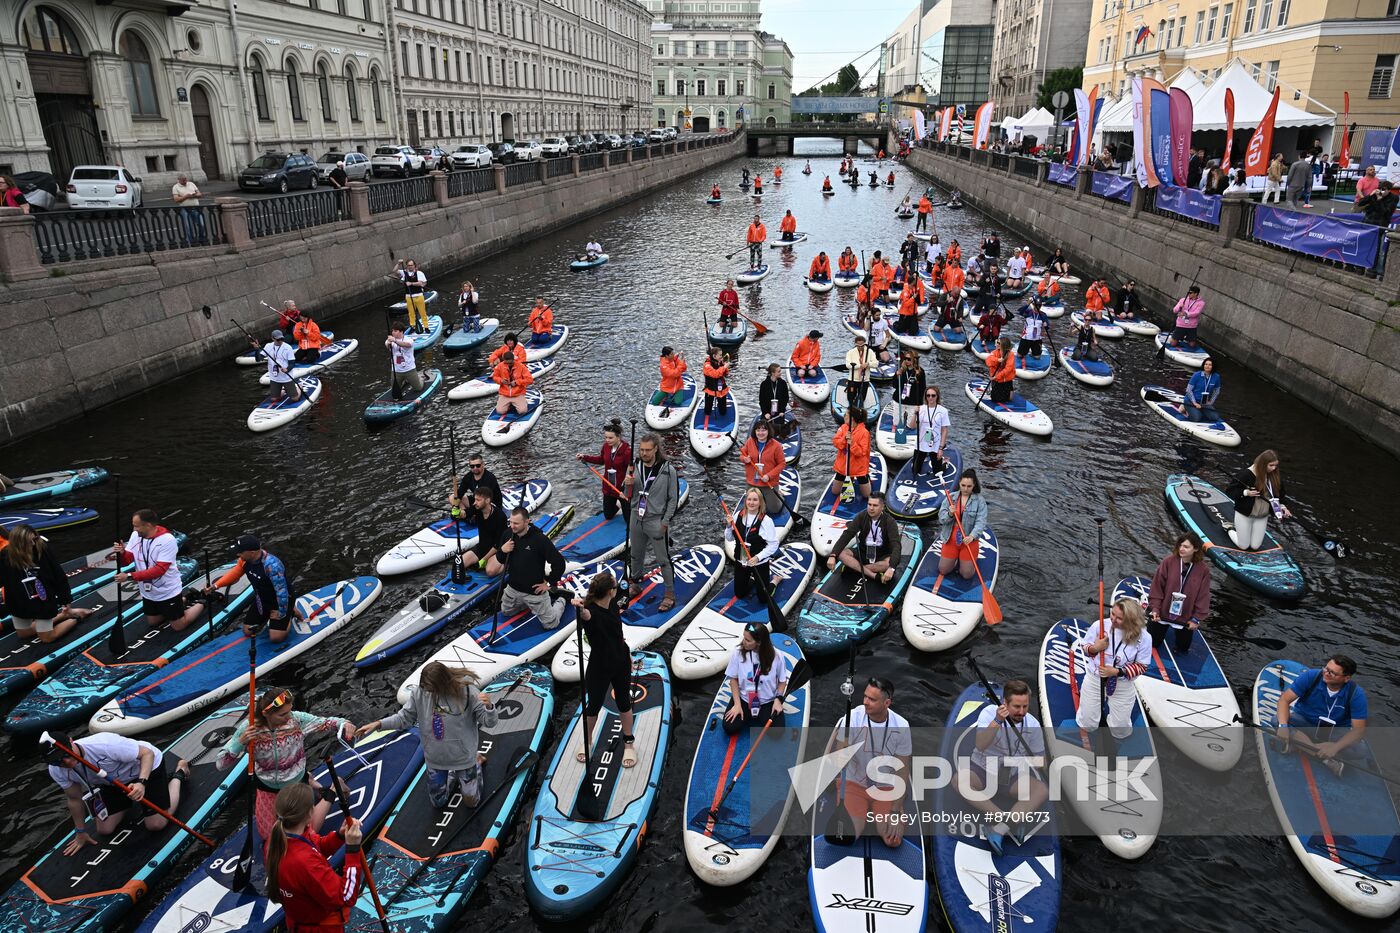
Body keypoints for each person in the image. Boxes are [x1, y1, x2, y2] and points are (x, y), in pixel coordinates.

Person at [215, 685, 354, 838]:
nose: (289, 717)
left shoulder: (297, 720)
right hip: (267, 787)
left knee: (302, 834)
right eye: (282, 715)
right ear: (266, 713)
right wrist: (240, 743)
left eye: (289, 711)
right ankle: (312, 782)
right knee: (269, 837)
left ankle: (333, 789)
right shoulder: (249, 728)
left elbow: (327, 722)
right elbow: (221, 764)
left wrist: (344, 724)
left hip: (295, 786)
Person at [357, 662, 497, 807]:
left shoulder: (468, 693)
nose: (427, 693)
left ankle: (476, 762)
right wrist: (379, 724)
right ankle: (454, 772)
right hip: (435, 760)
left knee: (471, 803)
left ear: (442, 684)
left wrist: (489, 707)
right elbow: (404, 718)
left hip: (463, 758)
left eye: (431, 689)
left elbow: (489, 722)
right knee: (438, 802)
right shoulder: (420, 693)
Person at [41, 731, 190, 856]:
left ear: (71, 741)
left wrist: (141, 783)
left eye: (66, 755)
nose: (65, 762)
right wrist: (80, 832)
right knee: (104, 829)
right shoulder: (56, 770)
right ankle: (128, 802)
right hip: (111, 782)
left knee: (156, 824)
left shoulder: (104, 745)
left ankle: (179, 773)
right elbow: (74, 799)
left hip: (146, 769)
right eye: (57, 761)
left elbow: (147, 754)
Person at [956, 679, 1047, 855]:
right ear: (1005, 703)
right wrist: (998, 721)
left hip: (1012, 775)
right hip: (982, 769)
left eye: (1025, 707)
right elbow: (980, 744)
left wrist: (1043, 762)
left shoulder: (1033, 724)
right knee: (959, 782)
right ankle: (1007, 819)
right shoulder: (989, 713)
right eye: (1016, 707)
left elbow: (1040, 760)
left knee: (1041, 790)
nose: (1022, 712)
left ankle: (1000, 828)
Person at [263, 782, 367, 931]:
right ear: (310, 813)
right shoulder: (305, 863)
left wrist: (339, 836)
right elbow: (345, 897)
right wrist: (352, 849)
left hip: (299, 919)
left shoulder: (275, 840)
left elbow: (316, 846)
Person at [831, 676, 913, 848]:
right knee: (849, 836)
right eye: (865, 697)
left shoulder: (902, 726)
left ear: (887, 703)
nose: (866, 702)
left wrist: (895, 811)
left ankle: (881, 816)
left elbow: (902, 772)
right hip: (854, 784)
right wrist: (843, 748)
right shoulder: (852, 718)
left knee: (893, 841)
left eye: (872, 699)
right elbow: (838, 758)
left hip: (885, 787)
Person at [570, 571, 639, 766]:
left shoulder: (614, 601)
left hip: (621, 660)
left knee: (624, 703)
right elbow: (586, 615)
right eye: (615, 586)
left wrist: (627, 653)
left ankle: (628, 744)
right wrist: (579, 608)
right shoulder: (590, 611)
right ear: (609, 591)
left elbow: (617, 632)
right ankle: (588, 741)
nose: (617, 589)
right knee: (594, 705)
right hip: (599, 666)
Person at [1073, 597, 1152, 741]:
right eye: (1112, 614)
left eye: (1119, 618)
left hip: (1122, 683)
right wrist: (1095, 648)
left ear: (1130, 620)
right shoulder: (1099, 626)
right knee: (1087, 725)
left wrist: (1117, 672)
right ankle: (1089, 712)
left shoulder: (1145, 637)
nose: (1113, 620)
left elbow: (1142, 666)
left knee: (1120, 731)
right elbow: (1085, 648)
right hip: (1096, 678)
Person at [114, 509, 206, 631]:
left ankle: (203, 601)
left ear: (148, 525)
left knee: (179, 626)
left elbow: (159, 570)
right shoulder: (136, 535)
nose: (134, 529)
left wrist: (129, 576)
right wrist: (121, 553)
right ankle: (185, 599)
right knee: (154, 622)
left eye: (136, 526)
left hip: (167, 591)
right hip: (148, 591)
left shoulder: (167, 540)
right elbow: (127, 560)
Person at [0, 524, 90, 643]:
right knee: (23, 634)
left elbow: (59, 576)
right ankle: (62, 616)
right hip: (19, 601)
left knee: (47, 638)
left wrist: (65, 599)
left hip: (42, 601)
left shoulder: (41, 551)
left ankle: (78, 617)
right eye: (29, 541)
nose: (33, 544)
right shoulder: (5, 555)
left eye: (35, 539)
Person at [1275, 654, 1368, 764]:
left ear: (1346, 678)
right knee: (1276, 721)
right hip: (1305, 723)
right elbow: (1284, 700)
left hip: (1334, 731)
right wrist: (1283, 726)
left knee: (1360, 750)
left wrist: (1335, 747)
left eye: (1332, 673)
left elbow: (1358, 731)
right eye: (1326, 668)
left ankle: (1300, 746)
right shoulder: (1311, 677)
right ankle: (1320, 755)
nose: (1326, 673)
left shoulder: (1356, 694)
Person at [487, 507, 568, 628]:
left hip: (534, 592)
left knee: (551, 624)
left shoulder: (540, 540)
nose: (512, 526)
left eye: (516, 523)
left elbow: (559, 562)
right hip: (513, 589)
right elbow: (501, 559)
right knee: (505, 612)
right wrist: (503, 550)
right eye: (511, 522)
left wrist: (550, 583)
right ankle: (526, 604)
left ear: (527, 522)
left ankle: (561, 599)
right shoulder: (508, 534)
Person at [625, 434, 680, 611]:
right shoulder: (634, 467)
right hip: (636, 517)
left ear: (656, 449)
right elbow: (628, 495)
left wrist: (665, 522)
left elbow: (673, 499)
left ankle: (670, 593)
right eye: (641, 450)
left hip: (656, 520)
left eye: (648, 450)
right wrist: (628, 484)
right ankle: (635, 582)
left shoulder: (668, 470)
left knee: (663, 560)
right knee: (635, 555)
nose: (644, 453)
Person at [206, 533, 293, 642]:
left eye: (241, 552)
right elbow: (235, 574)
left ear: (252, 553)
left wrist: (282, 612)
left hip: (280, 599)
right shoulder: (244, 560)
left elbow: (281, 592)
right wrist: (215, 586)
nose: (238, 554)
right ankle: (273, 615)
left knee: (276, 638)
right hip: (262, 598)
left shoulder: (272, 566)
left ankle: (290, 613)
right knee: (248, 631)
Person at [1147, 532, 1211, 654]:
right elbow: (1157, 587)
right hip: (1163, 612)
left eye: (1186, 547)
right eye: (1180, 545)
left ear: (1195, 549)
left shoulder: (1203, 570)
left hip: (1185, 616)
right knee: (1152, 643)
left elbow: (1203, 595)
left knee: (1183, 648)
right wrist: (1155, 608)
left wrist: (1196, 618)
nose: (1181, 549)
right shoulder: (1168, 562)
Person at [721, 621, 788, 735]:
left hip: (767, 701)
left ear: (759, 642)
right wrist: (737, 704)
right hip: (744, 700)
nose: (743, 642)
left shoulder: (777, 656)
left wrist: (778, 700)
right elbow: (733, 680)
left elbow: (782, 681)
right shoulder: (737, 653)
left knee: (778, 733)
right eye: (744, 638)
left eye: (748, 640)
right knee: (729, 727)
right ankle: (742, 711)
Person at [829, 491, 901, 583]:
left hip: (881, 554)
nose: (871, 508)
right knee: (841, 554)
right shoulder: (861, 516)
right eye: (869, 504)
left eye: (875, 505)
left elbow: (896, 545)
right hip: (863, 552)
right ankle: (873, 575)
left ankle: (854, 568)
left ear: (882, 507)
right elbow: (847, 534)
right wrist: (833, 555)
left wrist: (892, 568)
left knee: (888, 564)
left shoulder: (890, 522)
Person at [1226, 449, 1291, 550]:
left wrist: (1283, 507)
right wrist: (1246, 493)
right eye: (1271, 465)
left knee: (1255, 546)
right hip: (1245, 514)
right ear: (1263, 464)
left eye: (1276, 465)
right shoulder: (1246, 474)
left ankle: (1244, 532)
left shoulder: (1274, 476)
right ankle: (1229, 528)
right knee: (1244, 546)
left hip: (1262, 516)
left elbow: (1280, 495)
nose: (1274, 468)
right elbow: (1230, 491)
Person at [725, 486, 781, 600]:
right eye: (749, 499)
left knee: (763, 599)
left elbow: (774, 544)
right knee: (739, 594)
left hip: (759, 563)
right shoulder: (737, 516)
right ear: (745, 501)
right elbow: (729, 538)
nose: (751, 502)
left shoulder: (766, 521)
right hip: (742, 561)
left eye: (755, 500)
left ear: (760, 502)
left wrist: (758, 557)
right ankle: (751, 578)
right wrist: (728, 526)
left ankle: (775, 580)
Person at [577, 418, 633, 522]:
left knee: (628, 520)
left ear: (618, 437)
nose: (607, 440)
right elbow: (601, 460)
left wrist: (628, 483)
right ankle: (618, 504)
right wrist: (585, 457)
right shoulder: (606, 447)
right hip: (608, 486)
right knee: (608, 515)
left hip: (621, 489)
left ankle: (625, 503)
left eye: (610, 438)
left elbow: (631, 470)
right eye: (606, 437)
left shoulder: (627, 451)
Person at [937, 469, 986, 578]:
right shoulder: (951, 498)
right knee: (943, 570)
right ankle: (955, 560)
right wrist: (949, 513)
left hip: (968, 541)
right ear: (959, 483)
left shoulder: (980, 501)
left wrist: (972, 536)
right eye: (963, 485)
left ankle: (967, 562)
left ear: (974, 485)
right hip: (950, 539)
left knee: (966, 575)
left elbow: (981, 522)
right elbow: (941, 519)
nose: (965, 489)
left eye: (969, 486)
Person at [739, 420, 787, 515]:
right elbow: (741, 455)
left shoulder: (776, 445)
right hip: (752, 482)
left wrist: (769, 476)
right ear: (755, 431)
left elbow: (782, 464)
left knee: (774, 510)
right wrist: (745, 459)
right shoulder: (750, 441)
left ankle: (780, 496)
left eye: (763, 430)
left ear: (768, 431)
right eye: (758, 430)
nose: (760, 433)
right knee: (750, 508)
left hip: (768, 482)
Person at [832, 408, 873, 503]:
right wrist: (844, 439)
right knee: (835, 492)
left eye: (846, 414)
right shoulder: (843, 427)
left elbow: (861, 452)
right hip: (843, 467)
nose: (844, 416)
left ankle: (866, 477)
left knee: (867, 495)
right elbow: (835, 442)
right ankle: (849, 478)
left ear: (852, 418)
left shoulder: (864, 433)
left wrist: (852, 444)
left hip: (859, 468)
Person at [910, 385, 950, 478]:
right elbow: (912, 426)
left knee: (937, 472)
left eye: (933, 395)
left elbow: (944, 430)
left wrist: (941, 448)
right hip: (921, 444)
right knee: (915, 471)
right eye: (928, 395)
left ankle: (945, 464)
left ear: (937, 396)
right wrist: (915, 414)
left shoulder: (943, 411)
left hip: (935, 444)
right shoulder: (921, 409)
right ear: (925, 396)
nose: (930, 397)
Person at [256, 329, 301, 404]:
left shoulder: (288, 348)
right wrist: (257, 349)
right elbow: (258, 359)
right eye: (278, 339)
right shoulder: (268, 346)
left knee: (295, 399)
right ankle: (283, 390)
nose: (280, 341)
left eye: (282, 339)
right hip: (274, 378)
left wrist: (287, 369)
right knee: (274, 399)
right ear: (273, 339)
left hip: (286, 378)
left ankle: (298, 388)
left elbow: (292, 363)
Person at [386, 322, 425, 398]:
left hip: (409, 369)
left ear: (401, 331)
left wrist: (395, 341)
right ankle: (404, 381)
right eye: (392, 331)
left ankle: (420, 378)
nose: (393, 332)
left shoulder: (409, 340)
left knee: (418, 388)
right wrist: (388, 343)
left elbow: (406, 345)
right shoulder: (390, 340)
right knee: (395, 391)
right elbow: (387, 345)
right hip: (396, 370)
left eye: (395, 331)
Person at [394, 259, 430, 333]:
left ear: (414, 265)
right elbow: (394, 270)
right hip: (409, 296)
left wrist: (411, 283)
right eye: (409, 265)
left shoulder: (419, 273)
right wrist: (398, 263)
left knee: (422, 312)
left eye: (411, 265)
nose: (410, 267)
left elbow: (421, 283)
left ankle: (426, 327)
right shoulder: (404, 273)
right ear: (407, 266)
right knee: (411, 313)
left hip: (419, 296)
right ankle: (413, 327)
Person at [1181, 357, 1222, 422]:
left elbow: (1216, 391)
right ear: (1203, 365)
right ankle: (1185, 408)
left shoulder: (1216, 377)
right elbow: (1188, 390)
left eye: (1210, 365)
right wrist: (1194, 403)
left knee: (1215, 417)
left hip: (1204, 403)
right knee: (1197, 418)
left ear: (1213, 367)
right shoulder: (1196, 375)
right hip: (1191, 401)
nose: (1207, 366)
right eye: (1206, 364)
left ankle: (1200, 410)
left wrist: (1211, 402)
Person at [757, 363, 792, 438]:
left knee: (780, 430)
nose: (780, 373)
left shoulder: (783, 383)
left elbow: (785, 398)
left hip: (779, 412)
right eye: (778, 371)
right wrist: (765, 413)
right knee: (764, 429)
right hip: (768, 412)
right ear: (773, 373)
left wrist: (782, 411)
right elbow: (761, 400)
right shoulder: (764, 384)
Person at [170, 173, 206, 246]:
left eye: (186, 179)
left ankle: (201, 239)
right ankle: (192, 242)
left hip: (196, 207)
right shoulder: (175, 187)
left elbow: (200, 194)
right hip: (185, 209)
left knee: (201, 224)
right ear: (179, 180)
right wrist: (186, 197)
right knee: (188, 226)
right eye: (183, 180)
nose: (185, 181)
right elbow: (176, 199)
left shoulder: (191, 184)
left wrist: (194, 195)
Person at [652, 346, 689, 415]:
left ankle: (671, 395)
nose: (674, 354)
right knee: (654, 401)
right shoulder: (663, 365)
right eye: (672, 354)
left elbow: (684, 368)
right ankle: (666, 395)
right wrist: (681, 364)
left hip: (678, 386)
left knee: (678, 402)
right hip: (667, 386)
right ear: (667, 356)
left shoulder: (674, 360)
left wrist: (682, 361)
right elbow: (674, 374)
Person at [984, 336, 1017, 405]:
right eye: (996, 342)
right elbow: (988, 361)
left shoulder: (1011, 354)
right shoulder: (994, 352)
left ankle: (1009, 391)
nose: (996, 344)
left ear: (1003, 345)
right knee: (996, 399)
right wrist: (997, 360)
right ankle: (992, 388)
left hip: (1005, 379)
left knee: (1010, 399)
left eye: (998, 343)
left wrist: (996, 376)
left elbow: (1008, 369)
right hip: (997, 380)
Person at [1170, 285, 1204, 349]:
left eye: (1190, 293)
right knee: (1173, 343)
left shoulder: (1201, 303)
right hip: (1181, 324)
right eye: (1188, 292)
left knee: (1192, 345)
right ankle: (1174, 337)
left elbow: (1197, 313)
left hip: (1191, 326)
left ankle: (1186, 338)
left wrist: (1186, 314)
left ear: (1196, 294)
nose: (1188, 294)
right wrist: (1180, 306)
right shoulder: (1183, 300)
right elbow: (1174, 310)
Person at [702, 347, 731, 419]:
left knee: (723, 411)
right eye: (720, 355)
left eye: (721, 355)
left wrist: (724, 366)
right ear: (714, 356)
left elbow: (726, 374)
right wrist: (724, 367)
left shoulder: (719, 362)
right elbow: (715, 374)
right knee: (707, 410)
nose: (721, 357)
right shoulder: (707, 365)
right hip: (710, 389)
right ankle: (707, 414)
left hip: (720, 388)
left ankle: (722, 412)